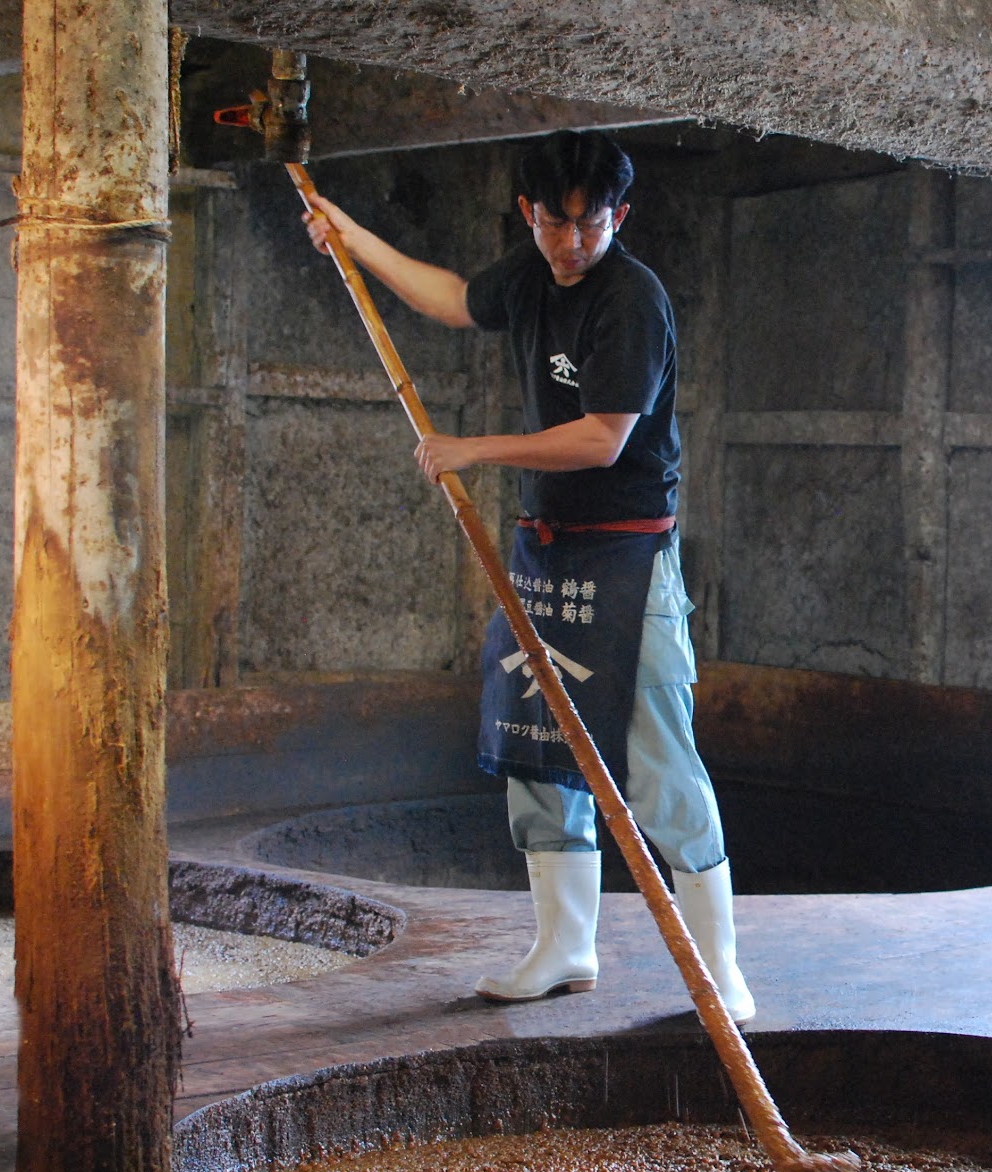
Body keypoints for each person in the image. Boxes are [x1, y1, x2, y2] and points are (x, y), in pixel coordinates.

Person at [302, 131, 754, 1022]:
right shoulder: (531, 272)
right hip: (547, 553)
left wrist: (473, 449)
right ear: (528, 213)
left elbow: (603, 438)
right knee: (536, 747)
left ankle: (720, 969)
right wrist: (350, 236)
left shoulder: (631, 299)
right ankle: (565, 948)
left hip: (627, 557)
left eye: (591, 224)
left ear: (620, 217)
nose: (572, 242)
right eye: (555, 222)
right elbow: (452, 299)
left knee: (659, 761)